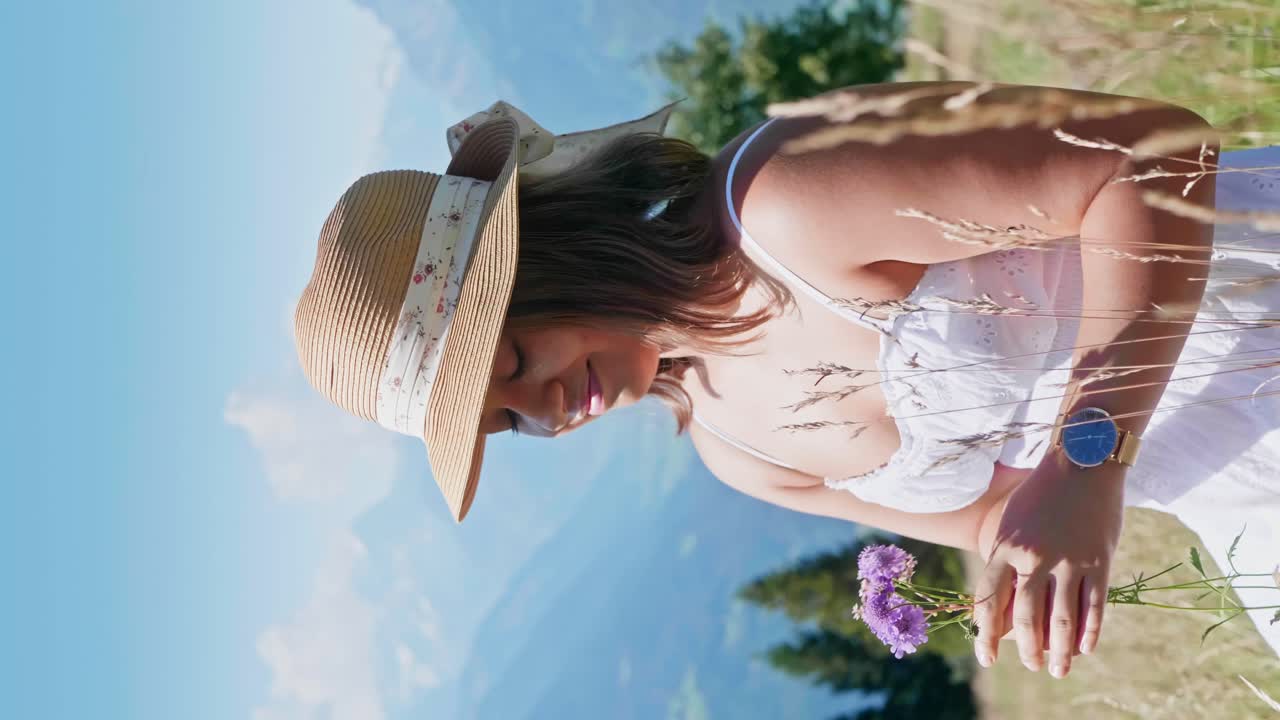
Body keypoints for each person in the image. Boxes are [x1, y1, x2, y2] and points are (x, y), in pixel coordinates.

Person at [292, 81, 1280, 679]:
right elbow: (993, 520)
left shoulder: (783, 202)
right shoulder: (740, 458)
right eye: (506, 420)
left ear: (537, 261)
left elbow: (1151, 160)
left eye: (512, 361)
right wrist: (1024, 584)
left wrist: (1087, 457)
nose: (547, 410)